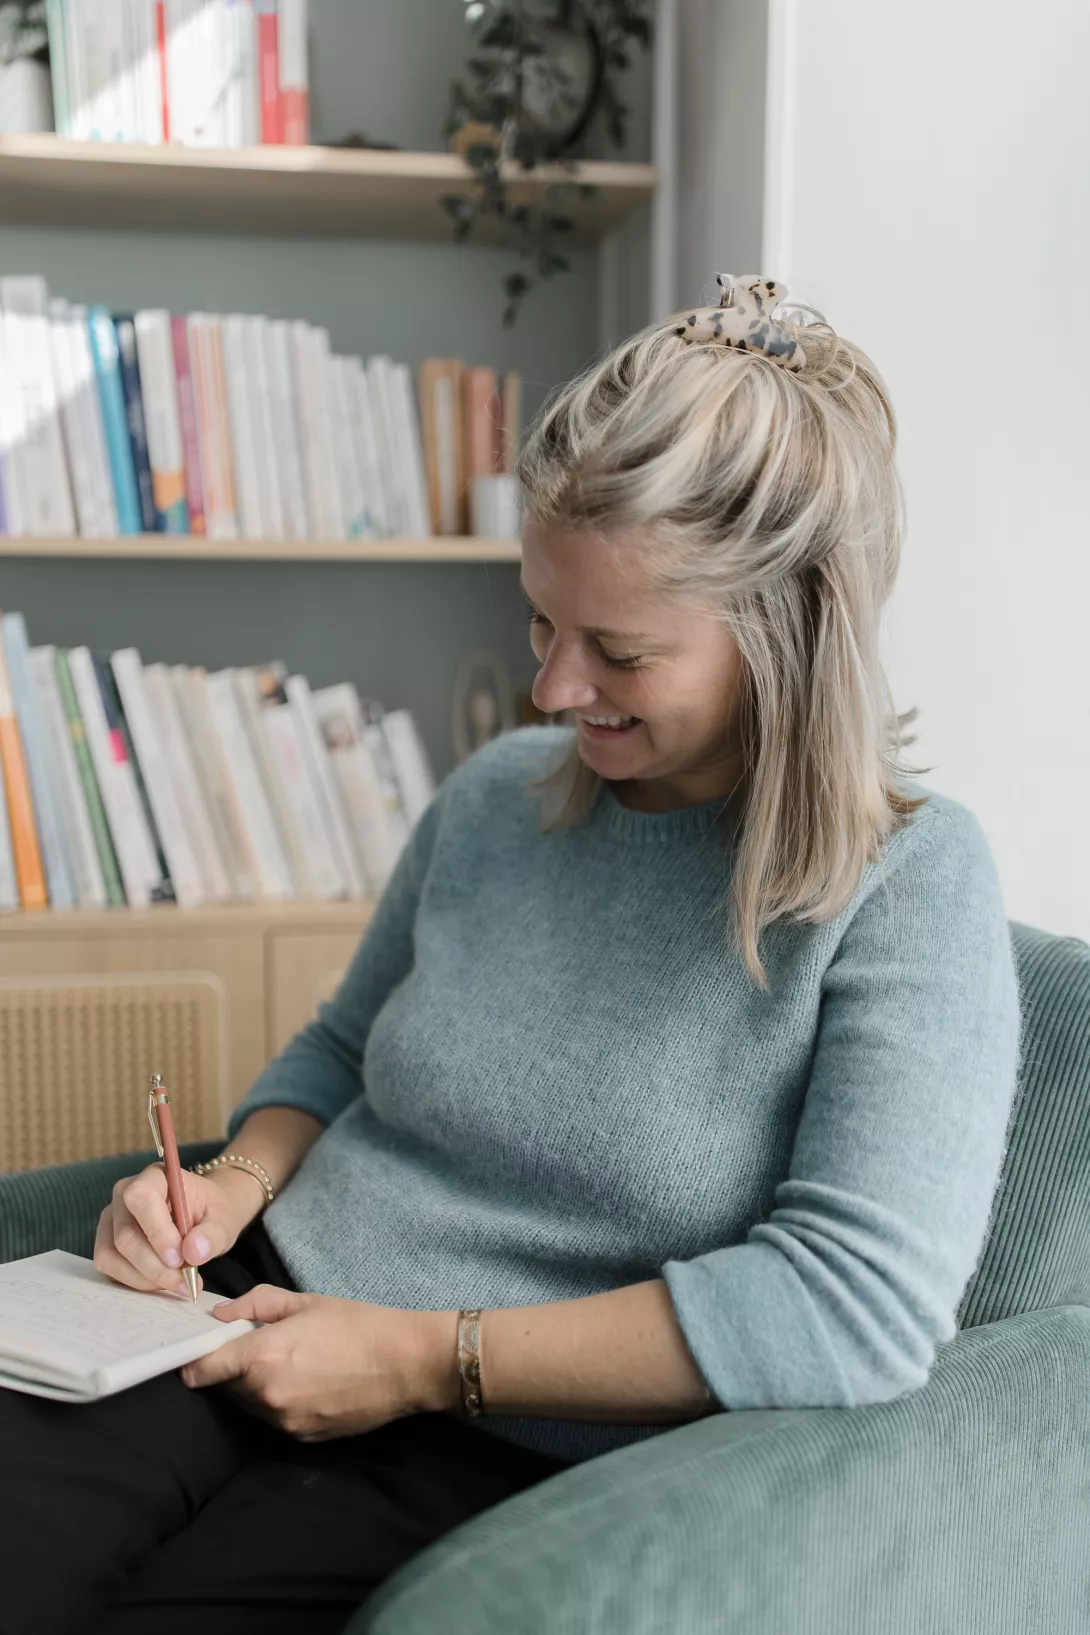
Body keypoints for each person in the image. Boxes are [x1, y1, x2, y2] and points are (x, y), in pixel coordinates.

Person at [1, 274, 1021, 1635]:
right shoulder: (497, 793)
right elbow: (344, 1046)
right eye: (541, 620)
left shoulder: (906, 882)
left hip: (498, 1436)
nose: (552, 689)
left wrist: (428, 1360)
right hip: (240, 1313)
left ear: (786, 640)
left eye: (617, 649)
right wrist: (233, 1187)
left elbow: (853, 1309)